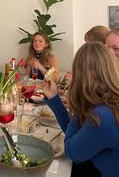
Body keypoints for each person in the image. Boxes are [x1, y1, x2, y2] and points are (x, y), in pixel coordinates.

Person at [42, 43, 119, 177]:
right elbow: (79, 136)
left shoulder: (103, 116)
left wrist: (77, 104)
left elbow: (72, 151)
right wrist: (54, 98)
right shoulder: (108, 101)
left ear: (82, 75)